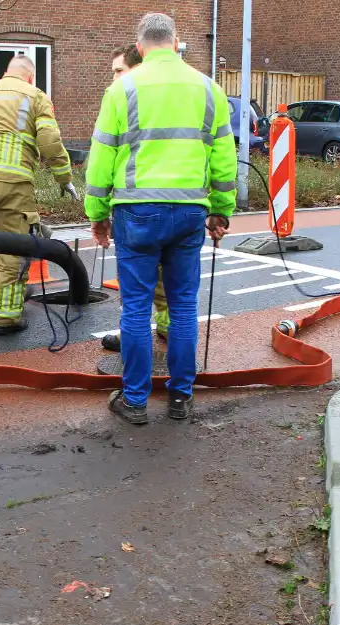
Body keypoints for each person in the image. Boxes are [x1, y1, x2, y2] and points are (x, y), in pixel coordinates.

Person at [84, 12, 235, 425]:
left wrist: (97, 213)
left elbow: (101, 158)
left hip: (136, 211)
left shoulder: (123, 88)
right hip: (190, 211)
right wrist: (222, 211)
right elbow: (224, 158)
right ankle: (180, 398)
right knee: (184, 306)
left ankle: (134, 400)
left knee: (135, 309)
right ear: (176, 41)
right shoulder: (209, 89)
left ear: (139, 45)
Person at [0, 54, 77, 335]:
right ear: (30, 76)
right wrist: (64, 178)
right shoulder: (36, 96)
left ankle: (6, 297)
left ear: (5, 73)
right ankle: (7, 318)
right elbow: (49, 140)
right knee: (14, 250)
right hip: (13, 183)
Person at [99, 43, 170, 354]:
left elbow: (105, 156)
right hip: (180, 203)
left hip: (137, 204)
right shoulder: (171, 96)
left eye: (118, 70)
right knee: (167, 275)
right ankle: (170, 330)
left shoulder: (124, 97)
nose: (113, 77)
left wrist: (98, 210)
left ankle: (134, 350)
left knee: (135, 282)